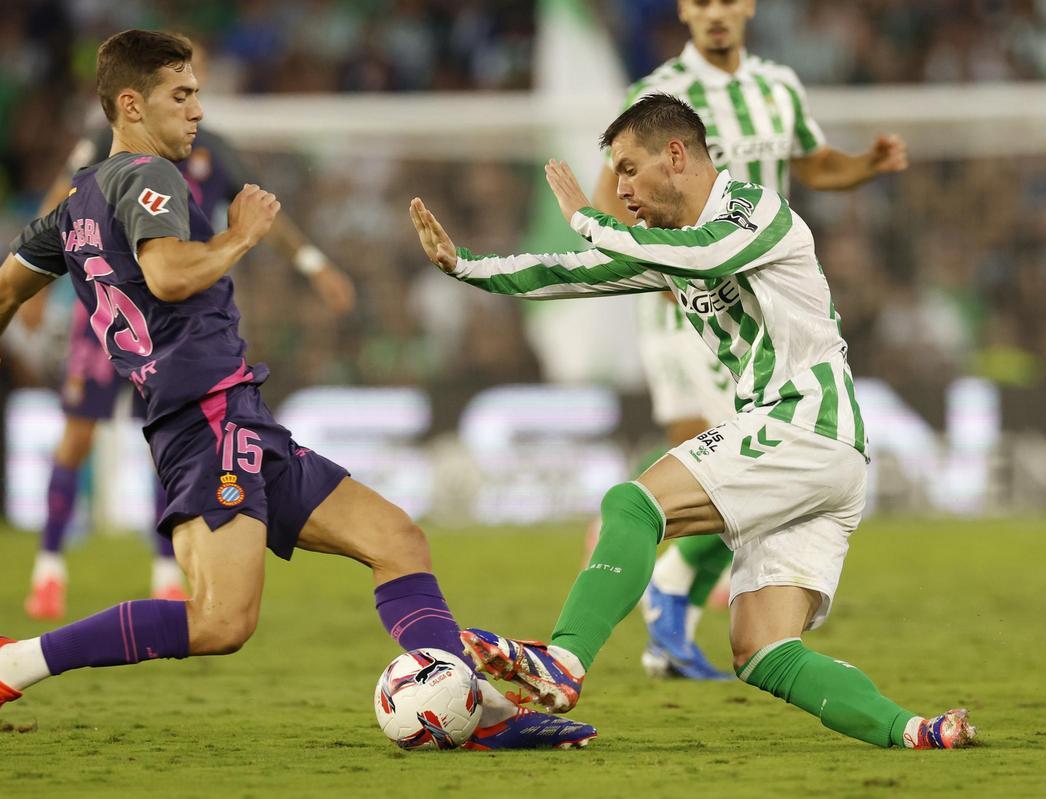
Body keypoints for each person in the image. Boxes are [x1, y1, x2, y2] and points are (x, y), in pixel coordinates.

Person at [0, 29, 595, 756]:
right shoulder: (148, 176)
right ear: (130, 103)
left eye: (197, 95)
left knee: (397, 540)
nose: (197, 111)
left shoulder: (76, 202)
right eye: (180, 95)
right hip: (203, 419)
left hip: (233, 414)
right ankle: (8, 662)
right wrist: (243, 234)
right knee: (219, 621)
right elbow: (171, 276)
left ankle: (479, 708)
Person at [409, 93, 974, 749]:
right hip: (823, 453)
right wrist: (464, 266)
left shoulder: (755, 211)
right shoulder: (675, 246)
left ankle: (562, 660)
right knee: (762, 649)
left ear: (676, 154)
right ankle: (918, 731)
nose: (619, 188)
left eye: (627, 168)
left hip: (803, 419)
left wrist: (586, 219)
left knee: (633, 503)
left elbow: (705, 255)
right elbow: (570, 274)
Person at [584, 0, 908, 681]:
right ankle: (664, 588)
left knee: (744, 459)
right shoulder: (659, 98)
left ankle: (667, 587)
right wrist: (670, 269)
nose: (716, 14)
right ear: (684, 11)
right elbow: (609, 201)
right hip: (687, 309)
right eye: (701, 2)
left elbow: (813, 166)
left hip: (767, 316)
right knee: (711, 447)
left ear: (749, 6)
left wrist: (867, 166)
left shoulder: (778, 86)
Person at [20, 119, 357, 620]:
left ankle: (164, 574)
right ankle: (48, 567)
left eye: (192, 83)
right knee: (77, 436)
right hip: (107, 315)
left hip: (176, 329)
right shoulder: (105, 144)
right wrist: (34, 279)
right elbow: (61, 201)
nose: (189, 99)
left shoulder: (216, 148)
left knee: (168, 443)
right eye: (179, 86)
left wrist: (313, 264)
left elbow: (266, 216)